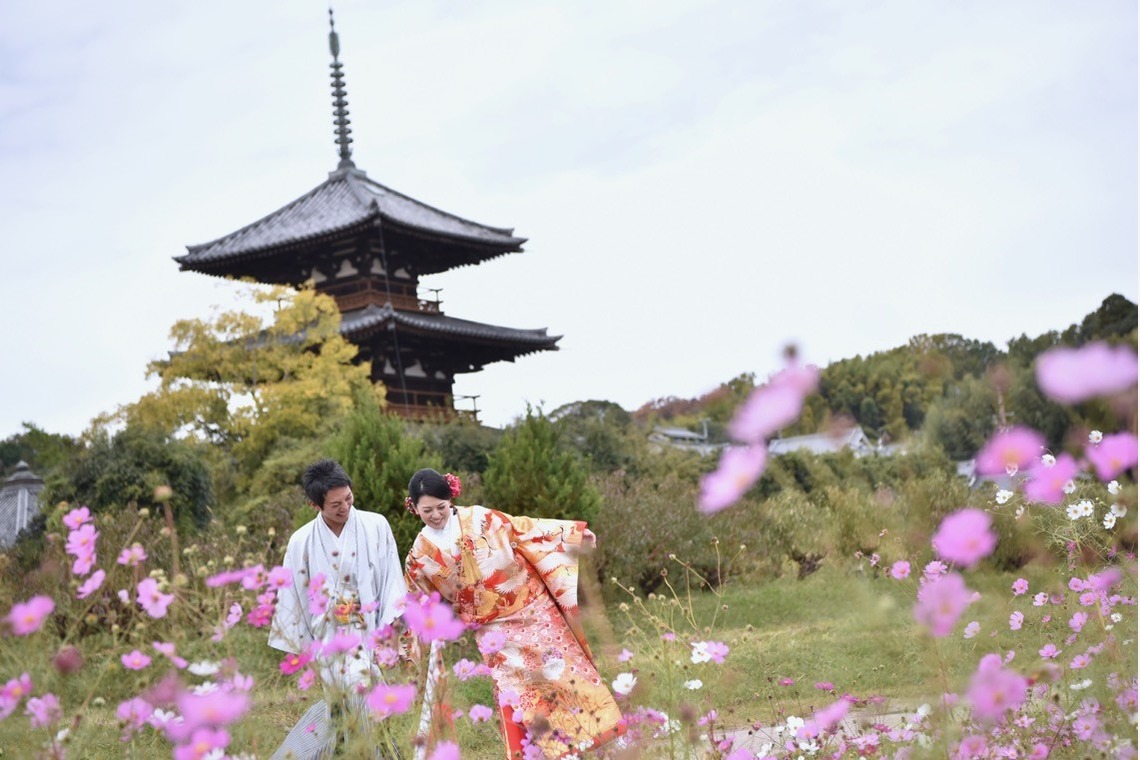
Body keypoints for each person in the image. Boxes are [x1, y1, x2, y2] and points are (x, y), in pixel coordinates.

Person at [404, 468, 623, 759]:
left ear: (451, 500)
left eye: (441, 507)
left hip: (532, 609)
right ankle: (540, 752)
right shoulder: (418, 557)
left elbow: (525, 529)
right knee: (517, 691)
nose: (435, 515)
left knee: (563, 672)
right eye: (427, 510)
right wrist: (413, 643)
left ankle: (601, 733)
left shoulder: (483, 519)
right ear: (413, 507)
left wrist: (574, 535)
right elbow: (420, 603)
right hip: (491, 631)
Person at [269, 458, 406, 759]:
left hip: (370, 626)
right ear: (314, 504)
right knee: (349, 700)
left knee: (360, 697)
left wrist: (391, 633)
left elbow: (392, 581)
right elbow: (293, 598)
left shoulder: (375, 525)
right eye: (335, 504)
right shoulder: (300, 541)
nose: (345, 507)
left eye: (348, 498)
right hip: (328, 636)